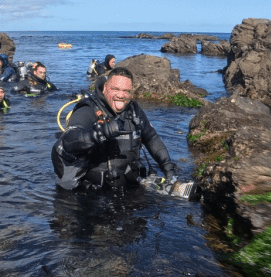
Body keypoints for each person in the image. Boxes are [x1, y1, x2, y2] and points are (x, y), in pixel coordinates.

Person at [51, 67, 179, 191]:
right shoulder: (88, 109)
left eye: (126, 91)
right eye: (115, 89)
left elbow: (151, 138)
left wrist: (168, 169)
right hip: (94, 193)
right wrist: (99, 133)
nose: (121, 95)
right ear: (105, 88)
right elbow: (68, 140)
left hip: (131, 187)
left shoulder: (134, 111)